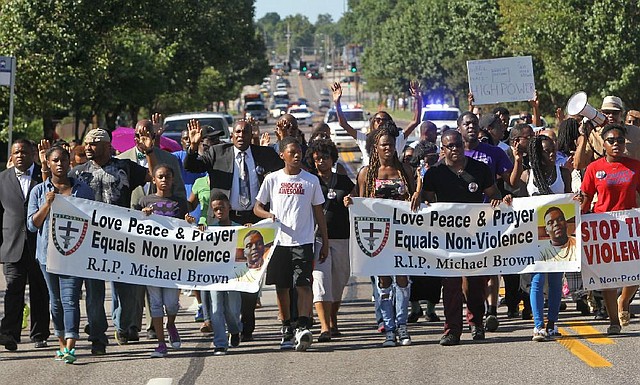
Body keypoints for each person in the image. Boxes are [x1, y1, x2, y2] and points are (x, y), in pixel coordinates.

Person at [184, 119, 283, 342]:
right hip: (223, 223)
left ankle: (245, 325)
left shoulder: (264, 155)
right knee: (222, 276)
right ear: (232, 134)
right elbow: (191, 166)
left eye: (245, 132)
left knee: (248, 277)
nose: (240, 135)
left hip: (253, 221)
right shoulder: (217, 152)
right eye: (237, 132)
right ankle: (222, 323)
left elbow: (285, 172)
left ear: (251, 134)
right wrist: (193, 146)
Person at [415, 130, 506, 346]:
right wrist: (420, 198)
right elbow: (428, 203)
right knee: (451, 285)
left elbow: (494, 194)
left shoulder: (480, 169)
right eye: (449, 146)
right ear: (442, 149)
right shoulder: (435, 173)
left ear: (463, 145)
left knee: (475, 284)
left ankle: (476, 325)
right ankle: (452, 330)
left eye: (457, 145)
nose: (454, 149)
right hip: (447, 240)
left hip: (475, 236)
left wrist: (497, 201)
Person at [71, 127, 156, 354]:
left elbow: (154, 177)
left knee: (127, 291)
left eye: (94, 143)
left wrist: (149, 152)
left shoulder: (125, 167)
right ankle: (98, 337)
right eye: (87, 143)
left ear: (108, 146)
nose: (88, 147)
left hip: (121, 240)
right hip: (91, 242)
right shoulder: (78, 173)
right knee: (94, 292)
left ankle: (123, 325)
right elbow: (61, 191)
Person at [254, 136, 329, 351]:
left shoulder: (311, 180)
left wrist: (324, 241)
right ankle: (287, 327)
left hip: (303, 241)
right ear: (282, 155)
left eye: (299, 152)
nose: (297, 156)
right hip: (279, 243)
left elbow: (319, 213)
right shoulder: (272, 179)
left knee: (304, 285)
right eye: (292, 152)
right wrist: (268, 215)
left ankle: (303, 326)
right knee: (283, 287)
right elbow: (257, 207)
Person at [118, 118, 187, 343]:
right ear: (134, 136)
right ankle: (131, 325)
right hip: (134, 227)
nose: (143, 136)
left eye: (148, 132)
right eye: (139, 133)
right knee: (135, 281)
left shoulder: (168, 160)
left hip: (164, 231)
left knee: (156, 281)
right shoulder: (122, 160)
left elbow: (178, 193)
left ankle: (152, 326)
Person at [27, 143, 94, 363]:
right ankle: (61, 343)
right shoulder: (39, 191)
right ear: (47, 162)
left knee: (70, 299)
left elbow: (95, 221)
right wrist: (47, 204)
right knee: (55, 301)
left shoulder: (83, 190)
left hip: (74, 255)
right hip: (47, 256)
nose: (59, 164)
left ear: (70, 162)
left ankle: (71, 344)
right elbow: (32, 225)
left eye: (63, 160)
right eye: (55, 160)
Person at [351, 124, 416, 347]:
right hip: (378, 237)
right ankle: (389, 329)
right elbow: (360, 204)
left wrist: (415, 196)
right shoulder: (365, 174)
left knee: (403, 279)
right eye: (383, 145)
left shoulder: (405, 171)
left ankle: (402, 326)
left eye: (390, 144)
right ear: (375, 148)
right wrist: (350, 203)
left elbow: (415, 199)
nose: (388, 148)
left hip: (402, 235)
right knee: (384, 281)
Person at [579, 123, 640, 334]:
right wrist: (580, 212)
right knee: (608, 277)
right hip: (603, 227)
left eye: (620, 141)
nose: (616, 145)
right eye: (611, 141)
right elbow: (586, 197)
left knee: (636, 272)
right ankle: (614, 321)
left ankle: (624, 300)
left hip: (630, 227)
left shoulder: (634, 166)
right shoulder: (594, 168)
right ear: (603, 144)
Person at [137, 164, 193, 357]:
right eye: (160, 177)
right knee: (155, 303)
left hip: (172, 260)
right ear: (153, 180)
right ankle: (161, 343)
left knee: (171, 303)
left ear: (172, 180)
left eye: (167, 177)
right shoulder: (145, 200)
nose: (163, 180)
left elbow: (185, 227)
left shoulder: (179, 202)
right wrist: (141, 216)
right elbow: (132, 226)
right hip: (150, 259)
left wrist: (190, 222)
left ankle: (171, 324)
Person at [0, 139, 50, 351]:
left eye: (24, 152)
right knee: (13, 292)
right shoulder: (2, 179)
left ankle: (39, 334)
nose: (20, 155)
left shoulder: (44, 175)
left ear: (32, 153)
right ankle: (9, 333)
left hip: (39, 244)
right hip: (12, 244)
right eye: (16, 152)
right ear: (11, 156)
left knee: (40, 291)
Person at [306, 139, 355, 342]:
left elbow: (357, 197)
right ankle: (324, 327)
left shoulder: (343, 181)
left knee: (339, 282)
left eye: (325, 158)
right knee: (320, 281)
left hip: (343, 238)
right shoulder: (309, 182)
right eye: (317, 159)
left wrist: (351, 200)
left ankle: (333, 317)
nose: (321, 162)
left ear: (333, 159)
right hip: (318, 239)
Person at [331, 81, 422, 165]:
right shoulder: (364, 139)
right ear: (373, 123)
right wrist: (337, 102)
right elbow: (343, 124)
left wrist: (418, 100)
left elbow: (415, 121)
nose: (381, 122)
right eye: (377, 120)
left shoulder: (398, 138)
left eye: (384, 120)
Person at [207, 191, 243, 355]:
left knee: (232, 310)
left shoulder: (238, 228)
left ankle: (235, 330)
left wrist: (249, 229)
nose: (219, 211)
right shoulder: (210, 230)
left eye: (222, 208)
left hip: (234, 276)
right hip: (214, 276)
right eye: (215, 209)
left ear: (229, 207)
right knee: (216, 308)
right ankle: (220, 342)